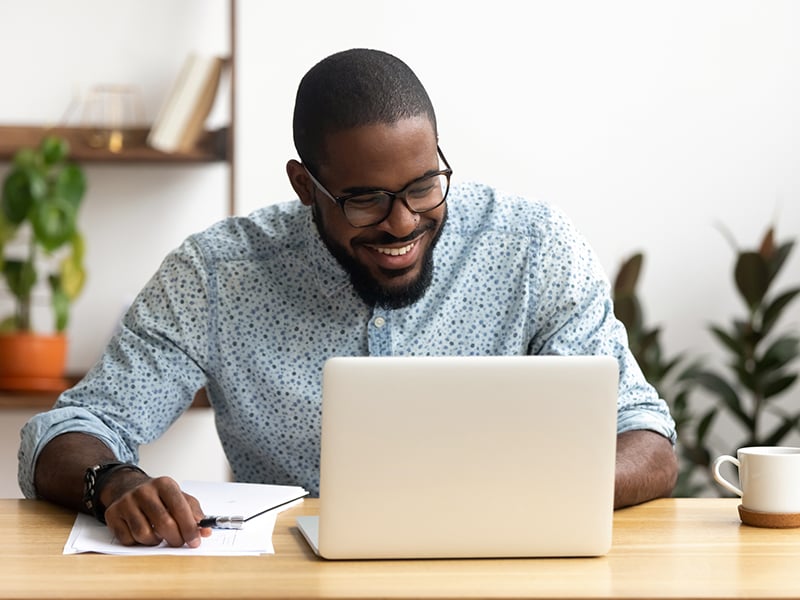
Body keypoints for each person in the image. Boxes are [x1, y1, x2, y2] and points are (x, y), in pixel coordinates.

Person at [19, 48, 677, 548]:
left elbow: (646, 438)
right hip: (289, 581)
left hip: (498, 568)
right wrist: (112, 483)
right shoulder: (216, 274)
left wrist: (528, 494)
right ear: (306, 185)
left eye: (424, 186)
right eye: (364, 199)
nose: (402, 222)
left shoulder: (531, 245)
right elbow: (69, 430)